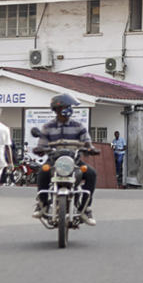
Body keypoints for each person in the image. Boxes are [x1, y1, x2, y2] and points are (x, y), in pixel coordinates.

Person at [32, 94, 97, 226]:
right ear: (57, 109)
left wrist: (90, 149)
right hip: (54, 161)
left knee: (91, 174)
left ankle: (86, 208)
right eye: (66, 106)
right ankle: (42, 204)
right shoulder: (47, 127)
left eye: (69, 107)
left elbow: (87, 143)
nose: (69, 109)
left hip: (74, 161)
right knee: (43, 172)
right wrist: (40, 150)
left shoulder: (79, 126)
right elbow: (42, 144)